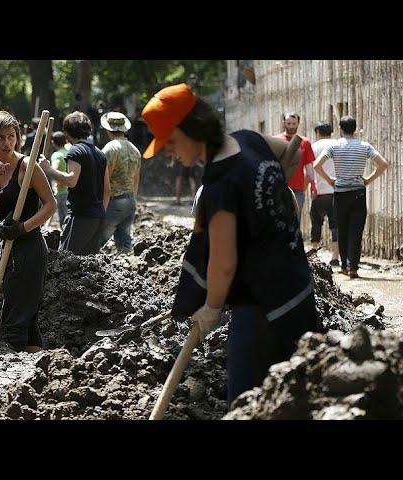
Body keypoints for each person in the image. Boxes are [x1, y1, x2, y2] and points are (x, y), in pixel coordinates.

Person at [142, 84, 320, 408]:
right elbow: (288, 151)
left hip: (260, 310)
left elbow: (224, 264)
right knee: (298, 397)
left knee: (245, 404)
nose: (169, 151)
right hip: (298, 289)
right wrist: (273, 204)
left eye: (170, 142)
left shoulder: (220, 184)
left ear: (191, 129)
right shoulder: (250, 140)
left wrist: (211, 308)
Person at [0, 111, 56, 353]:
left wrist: (22, 227)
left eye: (11, 136)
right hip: (9, 247)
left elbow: (51, 205)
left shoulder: (27, 166)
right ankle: (43, 369)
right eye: (0, 138)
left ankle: (13, 370)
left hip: (30, 248)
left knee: (16, 318)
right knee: (25, 319)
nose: (7, 143)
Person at [314, 115, 388, 278]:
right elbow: (383, 164)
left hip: (340, 193)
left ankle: (343, 266)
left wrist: (330, 180)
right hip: (358, 193)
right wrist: (368, 179)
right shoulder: (364, 146)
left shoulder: (335, 146)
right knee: (356, 230)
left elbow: (316, 165)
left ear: (340, 129)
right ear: (355, 129)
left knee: (342, 229)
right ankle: (353, 267)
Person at [39, 111, 110, 255]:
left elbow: (71, 180)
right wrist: (100, 212)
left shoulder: (75, 151)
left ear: (67, 133)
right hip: (98, 217)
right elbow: (107, 190)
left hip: (80, 216)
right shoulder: (100, 153)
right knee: (88, 265)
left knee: (66, 261)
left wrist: (48, 170)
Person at [97, 111, 141, 253]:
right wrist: (133, 199)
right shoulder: (135, 150)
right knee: (124, 243)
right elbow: (136, 179)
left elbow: (105, 178)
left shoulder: (110, 149)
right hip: (130, 201)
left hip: (114, 201)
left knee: (97, 241)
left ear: (108, 129)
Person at [273, 112, 316, 218]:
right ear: (284, 123)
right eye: (289, 123)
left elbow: (309, 166)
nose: (291, 126)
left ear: (298, 123)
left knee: (296, 220)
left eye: (293, 123)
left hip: (297, 189)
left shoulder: (305, 142)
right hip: (279, 187)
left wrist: (313, 184)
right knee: (279, 219)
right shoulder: (276, 140)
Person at [310, 122, 340, 266]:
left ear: (317, 132)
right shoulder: (338, 145)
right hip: (335, 191)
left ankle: (314, 254)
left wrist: (311, 188)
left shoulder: (314, 147)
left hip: (319, 191)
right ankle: (335, 257)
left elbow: (310, 170)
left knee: (316, 223)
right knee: (335, 225)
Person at [49, 131, 69, 226]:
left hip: (62, 192)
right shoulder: (69, 152)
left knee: (64, 220)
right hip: (71, 190)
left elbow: (54, 169)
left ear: (53, 142)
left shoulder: (56, 155)